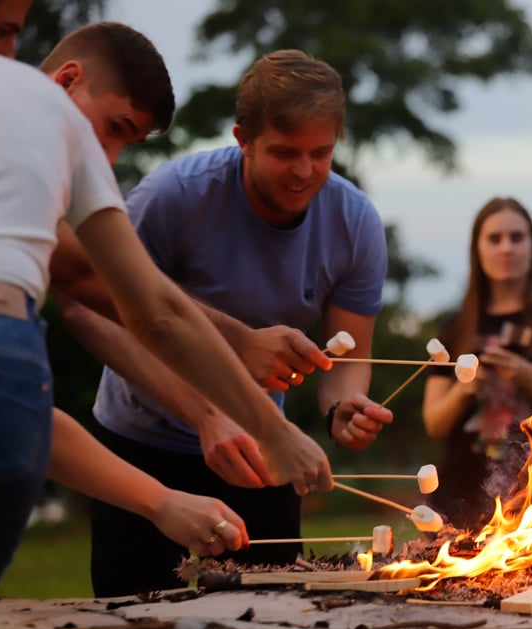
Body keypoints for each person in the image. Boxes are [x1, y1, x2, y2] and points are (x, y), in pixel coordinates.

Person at [0, 17, 332, 594]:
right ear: (67, 81)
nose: (107, 158)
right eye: (2, 28)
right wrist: (266, 425)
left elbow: (24, 406)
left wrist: (161, 501)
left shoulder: (54, 151)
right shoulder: (45, 112)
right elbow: (139, 309)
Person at [87, 49, 393, 596]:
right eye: (285, 153)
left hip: (263, 455)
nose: (304, 171)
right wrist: (206, 415)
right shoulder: (171, 198)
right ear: (242, 139)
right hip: (141, 449)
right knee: (133, 621)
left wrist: (342, 407)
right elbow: (96, 313)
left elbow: (348, 358)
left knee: (277, 623)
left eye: (321, 153)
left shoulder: (355, 223)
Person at [422, 197, 532, 529]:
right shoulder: (456, 327)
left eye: (517, 237)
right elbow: (434, 422)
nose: (507, 248)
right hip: (456, 507)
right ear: (477, 249)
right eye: (494, 238)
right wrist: (466, 388)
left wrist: (528, 376)